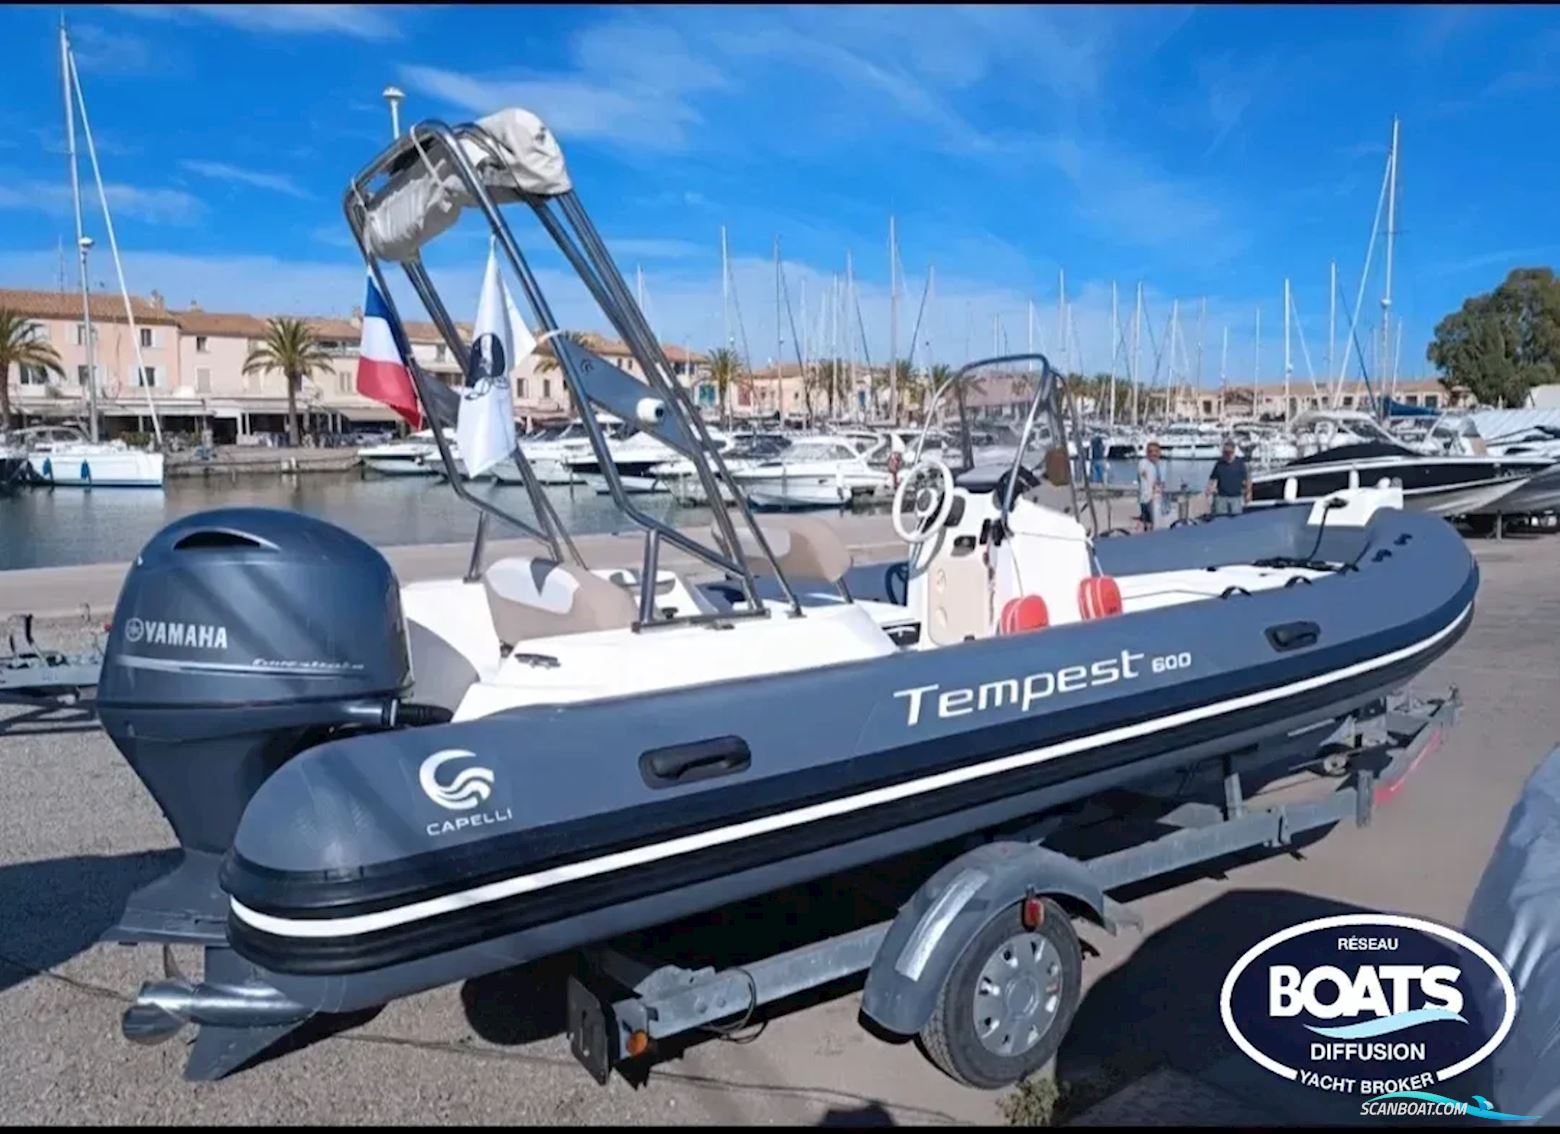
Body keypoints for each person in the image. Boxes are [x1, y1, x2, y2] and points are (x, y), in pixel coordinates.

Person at [1206, 438, 1251, 517]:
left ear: (1233, 452)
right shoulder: (1219, 464)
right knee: (1220, 520)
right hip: (1221, 497)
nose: (1227, 455)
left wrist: (1248, 493)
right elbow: (1213, 478)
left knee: (1236, 521)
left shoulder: (1240, 463)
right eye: (1225, 453)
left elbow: (1247, 479)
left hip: (1236, 498)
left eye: (1229, 453)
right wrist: (1209, 489)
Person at [1136, 440, 1163, 529]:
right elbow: (1145, 480)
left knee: (1152, 524)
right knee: (1151, 524)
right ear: (1147, 453)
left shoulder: (1157, 465)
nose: (1153, 454)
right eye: (1151, 451)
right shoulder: (1144, 463)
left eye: (1156, 451)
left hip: (1155, 498)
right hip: (1148, 499)